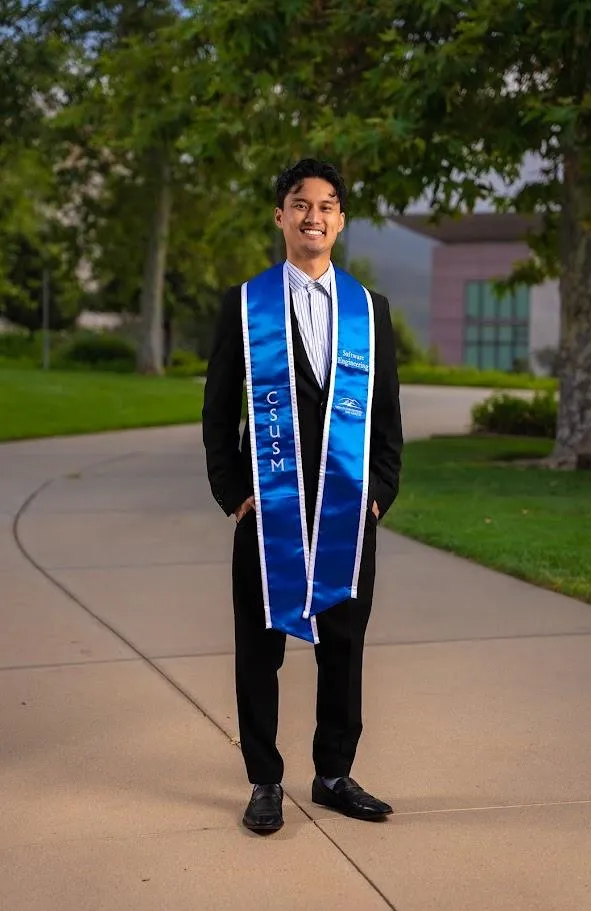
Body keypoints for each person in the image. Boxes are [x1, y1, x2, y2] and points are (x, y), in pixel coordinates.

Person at [202, 159, 402, 833]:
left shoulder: (370, 311)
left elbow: (386, 416)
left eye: (326, 205)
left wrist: (379, 493)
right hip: (268, 511)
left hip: (347, 510)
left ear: (341, 220)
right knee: (260, 649)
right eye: (300, 204)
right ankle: (265, 780)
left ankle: (334, 773)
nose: (313, 216)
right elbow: (218, 410)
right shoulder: (246, 305)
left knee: (343, 646)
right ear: (280, 216)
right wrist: (234, 494)